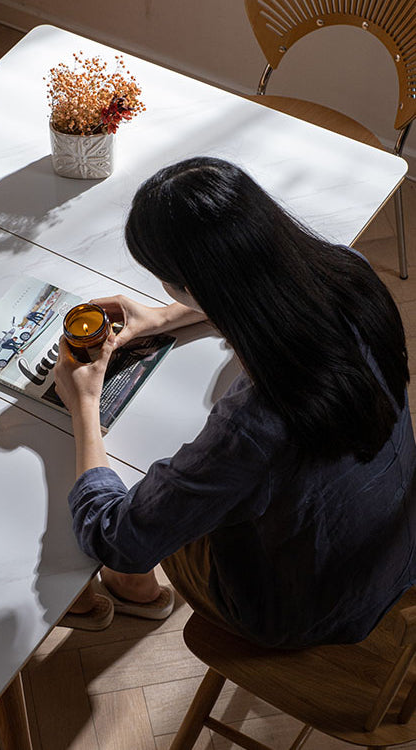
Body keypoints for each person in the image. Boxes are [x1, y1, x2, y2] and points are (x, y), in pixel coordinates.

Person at [53, 156, 416, 648]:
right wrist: (163, 319)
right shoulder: (350, 273)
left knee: (128, 494)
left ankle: (110, 585)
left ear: (192, 284)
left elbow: (117, 538)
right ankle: (132, 588)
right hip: (393, 543)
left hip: (306, 609)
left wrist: (85, 406)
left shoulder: (256, 424)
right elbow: (265, 284)